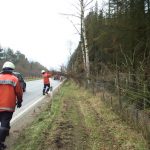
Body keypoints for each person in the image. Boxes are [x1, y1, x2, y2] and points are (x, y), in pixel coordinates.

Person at [0, 61, 23, 150]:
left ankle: (5, 132)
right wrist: (20, 101)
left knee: (4, 124)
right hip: (7, 106)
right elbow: (19, 92)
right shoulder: (14, 79)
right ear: (12, 70)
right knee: (4, 123)